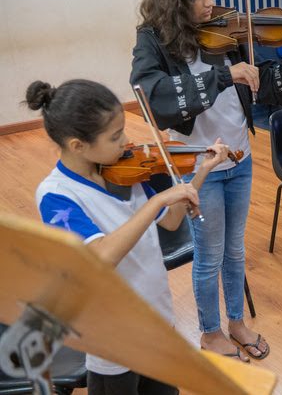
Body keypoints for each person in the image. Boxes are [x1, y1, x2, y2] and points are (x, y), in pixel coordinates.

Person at [129, 0, 282, 361]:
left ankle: (236, 322)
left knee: (235, 249)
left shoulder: (226, 34)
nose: (209, 3)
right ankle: (209, 331)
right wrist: (223, 74)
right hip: (198, 164)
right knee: (209, 253)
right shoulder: (152, 40)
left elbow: (268, 89)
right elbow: (156, 99)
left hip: (238, 158)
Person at [28, 79, 232, 394]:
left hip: (158, 320)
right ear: (77, 145)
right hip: (113, 338)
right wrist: (156, 202)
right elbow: (99, 257)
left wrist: (201, 171)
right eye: (115, 136)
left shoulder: (126, 171)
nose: (126, 141)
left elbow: (173, 219)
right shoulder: (57, 194)